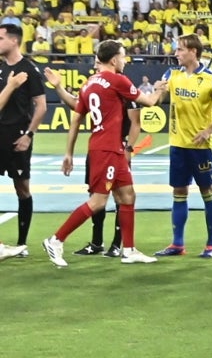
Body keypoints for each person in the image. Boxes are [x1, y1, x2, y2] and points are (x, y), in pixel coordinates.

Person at [41, 41, 162, 267]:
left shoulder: (88, 84)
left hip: (107, 148)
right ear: (114, 60)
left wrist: (68, 152)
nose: (125, 61)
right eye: (123, 57)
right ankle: (56, 239)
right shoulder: (118, 80)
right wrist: (160, 88)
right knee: (98, 202)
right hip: (107, 149)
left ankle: (129, 249)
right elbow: (150, 102)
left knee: (127, 196)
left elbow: (76, 118)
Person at [146, 34, 212, 258]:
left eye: (180, 50)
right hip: (177, 144)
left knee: (207, 192)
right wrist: (157, 90)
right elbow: (159, 101)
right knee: (179, 191)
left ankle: (211, 245)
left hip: (201, 147)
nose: (176, 53)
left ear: (193, 51)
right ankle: (177, 244)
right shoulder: (170, 74)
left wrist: (208, 130)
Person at [43, 65, 141, 258]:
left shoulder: (111, 84)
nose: (96, 64)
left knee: (126, 196)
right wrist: (59, 88)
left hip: (116, 148)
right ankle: (74, 241)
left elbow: (136, 122)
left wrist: (129, 147)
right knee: (98, 198)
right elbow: (77, 107)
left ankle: (122, 247)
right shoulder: (102, 83)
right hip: (106, 149)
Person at [0, 23, 47, 258]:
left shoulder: (29, 68)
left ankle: (21, 244)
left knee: (22, 188)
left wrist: (29, 135)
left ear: (14, 40)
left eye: (0, 38)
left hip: (18, 136)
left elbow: (41, 105)